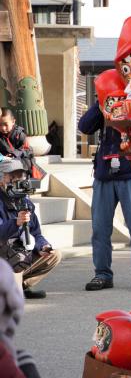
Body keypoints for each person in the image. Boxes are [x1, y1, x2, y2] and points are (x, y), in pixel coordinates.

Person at [78, 101, 131, 291]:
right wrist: (101, 103)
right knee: (99, 229)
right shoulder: (105, 103)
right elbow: (85, 126)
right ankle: (102, 274)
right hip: (104, 174)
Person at [0, 159, 61, 300]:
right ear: (2, 178)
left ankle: (20, 286)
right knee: (17, 256)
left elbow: (36, 233)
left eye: (20, 176)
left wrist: (43, 246)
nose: (17, 180)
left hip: (16, 254)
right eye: (12, 176)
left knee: (54, 255)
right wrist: (15, 223)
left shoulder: (25, 201)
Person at [0, 108, 43, 180]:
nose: (3, 128)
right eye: (0, 125)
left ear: (13, 122)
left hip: (22, 161)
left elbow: (27, 150)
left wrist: (15, 154)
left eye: (5, 124)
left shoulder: (19, 134)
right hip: (6, 162)